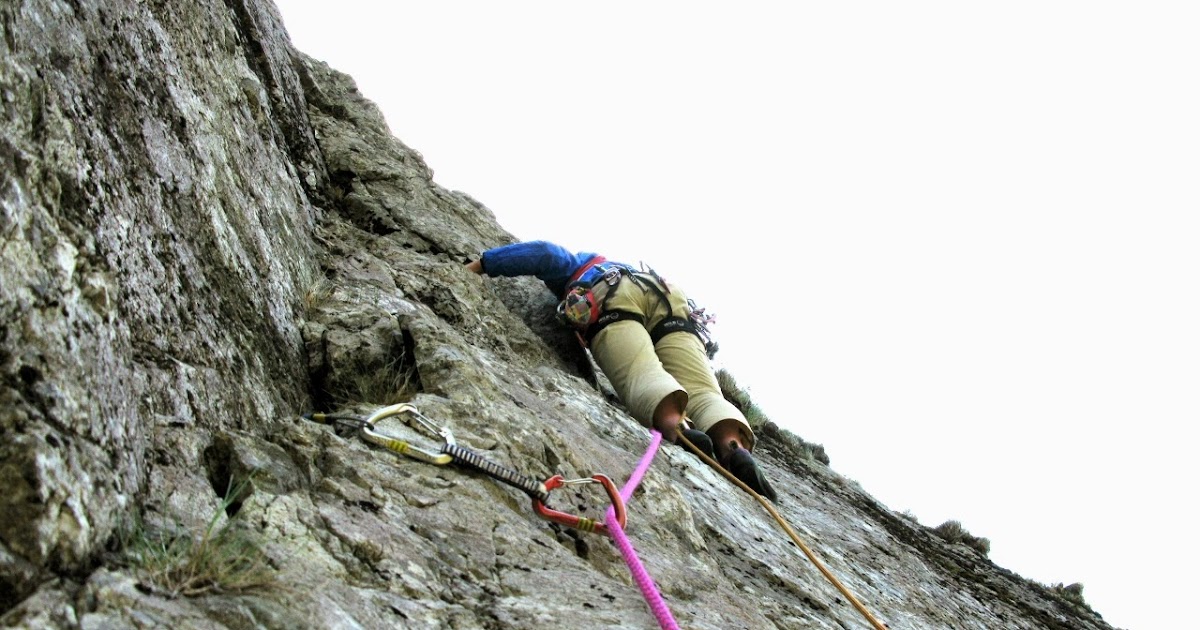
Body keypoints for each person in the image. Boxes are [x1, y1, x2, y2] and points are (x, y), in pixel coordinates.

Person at [466, 240, 777, 501]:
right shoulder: (626, 265)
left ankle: (676, 423)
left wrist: (481, 264)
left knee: (642, 374)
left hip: (612, 292)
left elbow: (545, 253)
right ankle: (731, 443)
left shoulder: (576, 265)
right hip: (669, 297)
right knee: (704, 392)